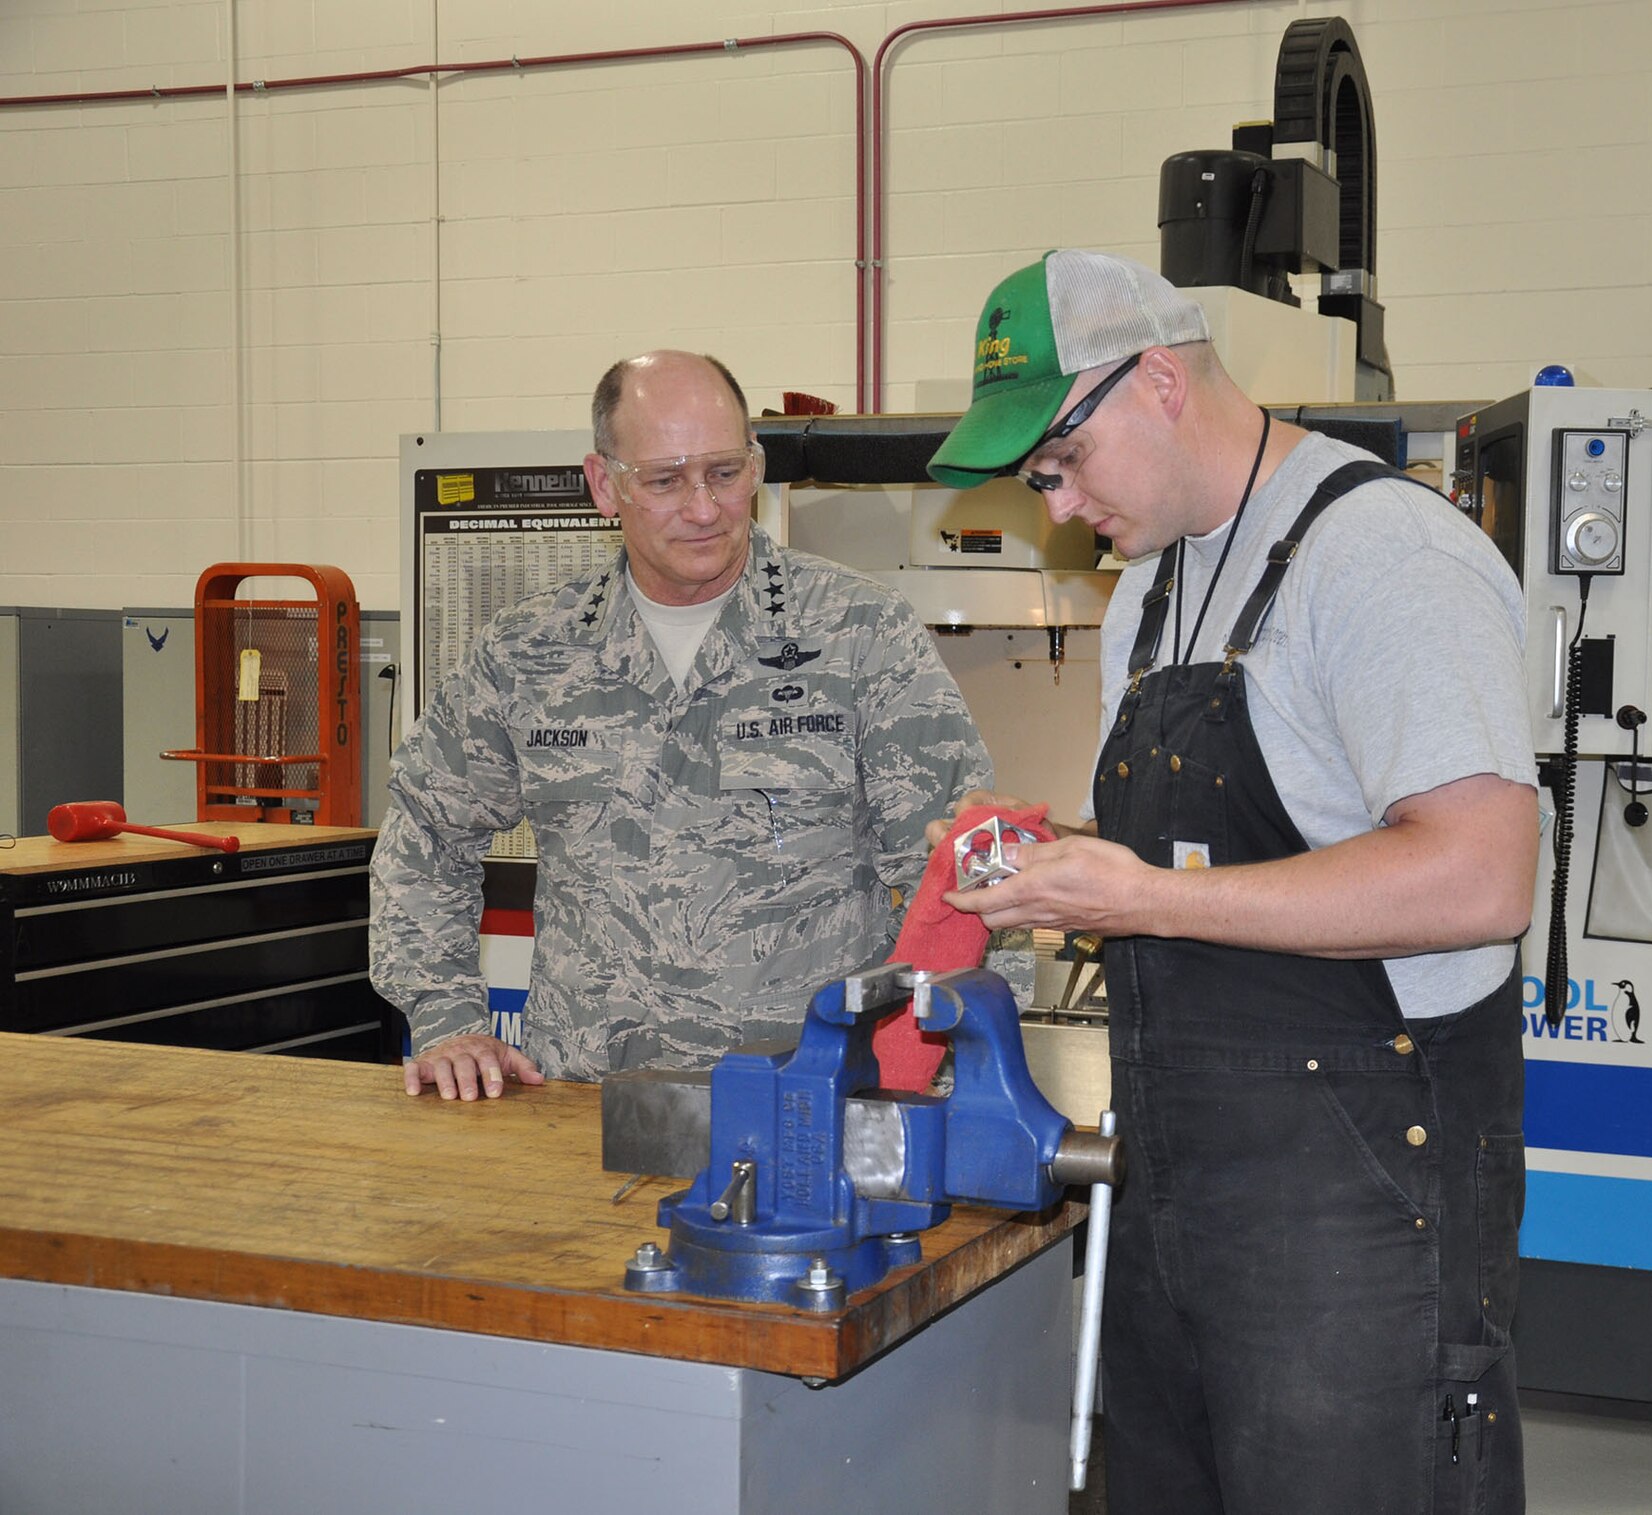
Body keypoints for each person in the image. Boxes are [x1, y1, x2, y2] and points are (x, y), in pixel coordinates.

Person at [926, 251, 1538, 1513]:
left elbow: (1479, 878)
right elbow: (1228, 840)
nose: (1053, 505)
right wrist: (1058, 862)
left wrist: (1135, 897)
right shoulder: (1152, 581)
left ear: (1154, 380)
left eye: (1058, 464)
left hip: (1363, 1191)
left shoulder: (1382, 555)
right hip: (1183, 1184)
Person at [372, 350, 993, 1100]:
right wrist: (445, 1017)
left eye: (725, 473)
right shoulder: (531, 655)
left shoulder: (860, 634)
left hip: (803, 1111)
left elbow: (964, 872)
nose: (703, 508)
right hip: (582, 1110)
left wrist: (955, 1070)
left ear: (756, 467)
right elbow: (425, 830)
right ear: (605, 484)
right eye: (665, 480)